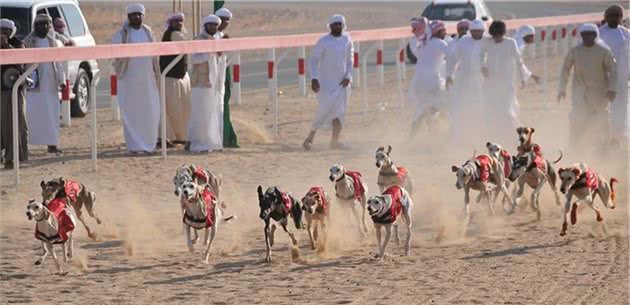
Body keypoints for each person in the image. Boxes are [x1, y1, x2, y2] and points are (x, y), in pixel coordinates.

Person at [112, 4, 161, 154]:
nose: (137, 17)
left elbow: (155, 54)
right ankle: (134, 146)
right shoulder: (121, 35)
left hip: (148, 80)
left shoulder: (148, 32)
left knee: (151, 111)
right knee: (132, 112)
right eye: (134, 15)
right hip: (129, 80)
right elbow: (114, 55)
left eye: (139, 15)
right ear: (129, 17)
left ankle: (149, 144)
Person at [559, 23, 617, 149]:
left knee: (601, 119)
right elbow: (565, 69)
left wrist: (612, 89)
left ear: (595, 35)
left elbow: (613, 70)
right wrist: (561, 89)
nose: (586, 38)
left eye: (590, 35)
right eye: (584, 35)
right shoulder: (575, 51)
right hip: (580, 92)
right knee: (577, 118)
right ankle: (575, 146)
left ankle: (605, 147)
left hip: (599, 92)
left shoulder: (604, 51)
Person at [302, 14, 353, 150]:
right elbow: (313, 61)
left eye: (339, 24)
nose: (337, 27)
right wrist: (314, 78)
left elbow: (350, 60)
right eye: (334, 24)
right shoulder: (324, 41)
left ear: (343, 26)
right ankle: (310, 137)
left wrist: (348, 76)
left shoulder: (347, 40)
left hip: (342, 84)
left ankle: (334, 142)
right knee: (323, 110)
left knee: (339, 113)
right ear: (330, 26)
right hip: (325, 84)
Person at [480, 20, 535, 144]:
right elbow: (481, 55)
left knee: (507, 111)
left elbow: (518, 61)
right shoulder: (487, 42)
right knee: (491, 111)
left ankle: (522, 136)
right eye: (495, 36)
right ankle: (496, 137)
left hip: (506, 84)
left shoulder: (511, 43)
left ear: (503, 33)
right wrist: (482, 66)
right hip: (490, 83)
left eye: (499, 35)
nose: (497, 38)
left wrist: (522, 78)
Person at [23, 14, 66, 155]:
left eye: (47, 24)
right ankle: (26, 146)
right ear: (35, 26)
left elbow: (58, 64)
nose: (44, 27)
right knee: (31, 116)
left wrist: (62, 80)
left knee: (52, 115)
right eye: (41, 24)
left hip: (51, 84)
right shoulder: (28, 42)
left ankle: (52, 144)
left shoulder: (52, 41)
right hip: (34, 86)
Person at [445, 19, 487, 144]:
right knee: (460, 105)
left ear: (483, 31)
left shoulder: (488, 41)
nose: (476, 34)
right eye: (473, 32)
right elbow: (453, 59)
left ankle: (481, 133)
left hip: (481, 79)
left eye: (478, 32)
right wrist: (449, 75)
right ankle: (457, 134)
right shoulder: (464, 41)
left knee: (481, 105)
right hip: (463, 78)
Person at [408, 19, 450, 138]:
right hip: (432, 82)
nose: (445, 33)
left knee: (423, 109)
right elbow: (451, 52)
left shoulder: (423, 43)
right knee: (445, 106)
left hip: (418, 83)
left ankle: (412, 138)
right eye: (444, 31)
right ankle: (448, 135)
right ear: (438, 31)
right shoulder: (438, 42)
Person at [188, 15, 224, 153]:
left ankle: (211, 142)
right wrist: (210, 53)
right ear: (205, 26)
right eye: (210, 25)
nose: (213, 27)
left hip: (213, 82)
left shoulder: (217, 40)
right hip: (201, 82)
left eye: (215, 25)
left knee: (211, 113)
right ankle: (200, 143)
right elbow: (195, 59)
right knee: (201, 112)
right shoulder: (199, 39)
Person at [599, 5, 629, 148]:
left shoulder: (626, 34)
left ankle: (618, 136)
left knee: (621, 107)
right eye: (611, 15)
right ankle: (603, 136)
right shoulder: (599, 34)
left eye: (617, 16)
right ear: (606, 17)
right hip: (604, 77)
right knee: (603, 106)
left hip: (622, 76)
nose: (614, 18)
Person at [159, 12, 190, 147]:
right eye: (176, 21)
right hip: (170, 79)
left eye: (180, 21)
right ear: (170, 23)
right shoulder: (173, 34)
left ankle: (178, 136)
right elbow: (187, 45)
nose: (179, 23)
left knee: (178, 109)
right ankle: (169, 137)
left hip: (177, 78)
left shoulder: (178, 34)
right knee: (172, 110)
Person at [0, 18, 28, 169]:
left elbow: (21, 61)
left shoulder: (18, 43)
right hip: (1, 89)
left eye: (6, 31)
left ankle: (14, 157)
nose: (3, 33)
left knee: (15, 124)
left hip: (14, 90)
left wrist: (7, 46)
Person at [215, 7, 239, 148]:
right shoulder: (211, 35)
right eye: (222, 19)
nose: (224, 22)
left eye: (227, 20)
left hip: (224, 76)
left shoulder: (223, 36)